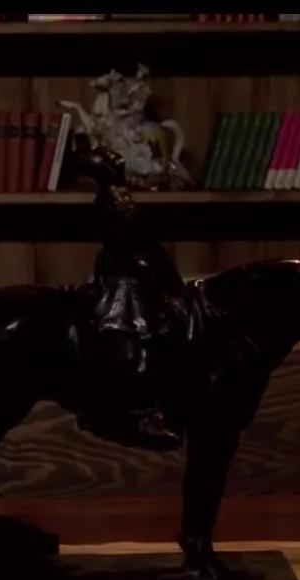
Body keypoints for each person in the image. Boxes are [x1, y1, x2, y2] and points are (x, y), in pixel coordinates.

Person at [72, 142, 189, 451]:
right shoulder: (111, 200)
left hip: (133, 272)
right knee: (140, 338)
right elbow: (129, 241)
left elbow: (145, 242)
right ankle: (140, 414)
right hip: (124, 280)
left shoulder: (119, 197)